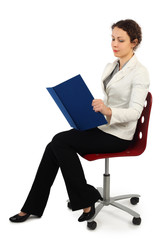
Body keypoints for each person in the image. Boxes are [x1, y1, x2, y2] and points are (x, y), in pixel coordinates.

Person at [9, 19, 150, 223]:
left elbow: (135, 112)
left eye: (121, 40)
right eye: (112, 39)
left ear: (134, 42)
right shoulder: (112, 66)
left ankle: (85, 199)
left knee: (59, 141)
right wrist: (94, 108)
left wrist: (108, 110)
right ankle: (32, 206)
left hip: (119, 135)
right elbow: (111, 99)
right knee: (54, 144)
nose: (114, 44)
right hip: (103, 125)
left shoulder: (140, 72)